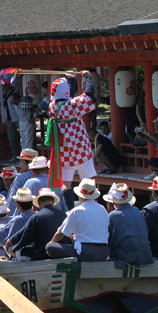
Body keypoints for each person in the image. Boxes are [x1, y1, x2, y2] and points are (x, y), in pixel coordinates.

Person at [46, 70, 97, 210]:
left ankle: (69, 209)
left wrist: (71, 79)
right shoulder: (72, 106)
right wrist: (88, 77)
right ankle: (91, 206)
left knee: (66, 183)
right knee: (89, 180)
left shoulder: (53, 106)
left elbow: (69, 97)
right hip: (80, 148)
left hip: (64, 151)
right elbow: (90, 96)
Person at [45, 178, 110, 262]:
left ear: (80, 195)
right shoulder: (102, 209)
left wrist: (51, 242)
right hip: (103, 252)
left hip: (87, 252)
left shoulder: (78, 210)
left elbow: (60, 233)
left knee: (50, 247)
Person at [6, 188, 68, 261]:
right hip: (62, 252)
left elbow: (25, 236)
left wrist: (11, 242)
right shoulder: (64, 215)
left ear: (38, 202)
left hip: (42, 254)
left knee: (16, 251)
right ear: (53, 201)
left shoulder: (37, 217)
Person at [104, 183, 153, 268]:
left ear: (113, 201)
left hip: (127, 257)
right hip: (145, 255)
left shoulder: (113, 215)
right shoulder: (137, 211)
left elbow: (108, 240)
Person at [0, 188, 36, 256]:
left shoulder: (17, 220)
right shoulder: (38, 216)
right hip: (37, 252)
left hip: (23, 255)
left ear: (18, 205)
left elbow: (0, 239)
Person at [6, 148, 39, 214]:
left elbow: (12, 201)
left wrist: (9, 214)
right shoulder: (42, 176)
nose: (19, 164)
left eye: (21, 161)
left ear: (29, 163)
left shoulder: (21, 177)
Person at [0, 82, 21, 161]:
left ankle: (22, 154)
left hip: (16, 118)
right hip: (8, 119)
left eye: (5, 86)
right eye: (3, 86)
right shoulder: (4, 96)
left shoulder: (14, 94)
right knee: (11, 138)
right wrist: (3, 119)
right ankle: (14, 155)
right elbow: (2, 108)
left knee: (22, 136)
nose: (4, 87)